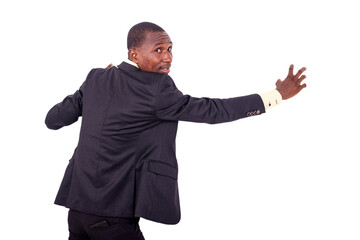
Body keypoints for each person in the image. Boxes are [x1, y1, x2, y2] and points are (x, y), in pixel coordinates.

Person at [45, 22, 307, 240]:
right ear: (134, 54)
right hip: (113, 217)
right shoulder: (157, 89)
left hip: (76, 210)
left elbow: (53, 119)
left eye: (170, 49)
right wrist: (276, 96)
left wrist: (90, 86)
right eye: (158, 49)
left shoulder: (96, 77)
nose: (167, 56)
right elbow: (213, 111)